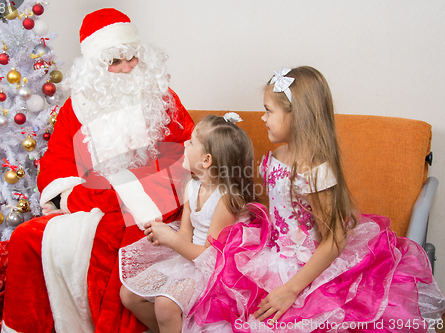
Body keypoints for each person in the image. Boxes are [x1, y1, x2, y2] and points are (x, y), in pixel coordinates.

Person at [184, 66, 445, 332]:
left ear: (295, 115)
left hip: (303, 268)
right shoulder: (277, 156)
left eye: (269, 111)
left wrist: (290, 290)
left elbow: (335, 238)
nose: (263, 118)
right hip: (271, 252)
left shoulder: (314, 170)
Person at [1, 8, 194, 333]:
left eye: (131, 57)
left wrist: (142, 191)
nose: (127, 68)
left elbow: (192, 152)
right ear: (95, 66)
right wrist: (83, 196)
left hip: (159, 203)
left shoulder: (161, 97)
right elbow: (57, 165)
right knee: (26, 236)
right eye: (114, 62)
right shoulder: (76, 106)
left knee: (107, 248)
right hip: (97, 200)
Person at [119, 113, 263, 333]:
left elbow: (210, 259)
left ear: (206, 160)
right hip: (187, 258)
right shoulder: (192, 186)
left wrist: (172, 240)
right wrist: (164, 237)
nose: (185, 143)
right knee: (128, 294)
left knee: (165, 304)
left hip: (212, 271)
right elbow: (185, 234)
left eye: (192, 141)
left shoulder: (225, 199)